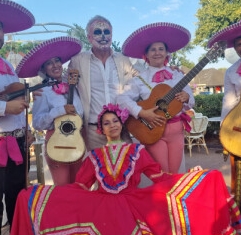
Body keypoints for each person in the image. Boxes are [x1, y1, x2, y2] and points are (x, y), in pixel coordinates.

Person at [7, 103, 241, 235]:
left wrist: (191, 178)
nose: (111, 125)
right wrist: (45, 195)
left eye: (115, 121)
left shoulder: (137, 152)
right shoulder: (94, 155)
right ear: (100, 129)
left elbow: (160, 177)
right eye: (106, 123)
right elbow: (80, 187)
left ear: (122, 124)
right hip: (100, 206)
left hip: (133, 206)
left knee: (207, 180)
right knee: (33, 197)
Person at [117, 22, 195, 173]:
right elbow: (121, 100)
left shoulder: (178, 75)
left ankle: (170, 197)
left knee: (174, 173)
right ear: (145, 55)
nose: (157, 52)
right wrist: (141, 112)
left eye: (161, 49)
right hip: (152, 130)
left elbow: (191, 101)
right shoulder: (139, 79)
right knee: (162, 173)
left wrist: (187, 97)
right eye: (152, 50)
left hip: (176, 131)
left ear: (167, 53)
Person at [15, 36, 85, 185]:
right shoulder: (42, 91)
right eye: (49, 63)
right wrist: (60, 110)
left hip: (78, 140)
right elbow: (38, 123)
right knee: (63, 189)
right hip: (56, 142)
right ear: (43, 69)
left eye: (57, 61)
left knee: (80, 187)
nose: (55, 65)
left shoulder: (73, 86)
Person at [208, 18, 241, 222]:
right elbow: (228, 103)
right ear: (235, 48)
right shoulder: (231, 71)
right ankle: (239, 222)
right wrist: (225, 132)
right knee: (239, 180)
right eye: (240, 44)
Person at [67, 15, 139, 151]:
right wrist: (44, 88)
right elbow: (65, 83)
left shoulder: (123, 60)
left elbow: (142, 80)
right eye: (97, 32)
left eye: (106, 32)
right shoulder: (78, 61)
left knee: (127, 169)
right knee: (99, 170)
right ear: (89, 37)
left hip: (121, 128)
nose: (103, 36)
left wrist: (166, 69)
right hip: (94, 131)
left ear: (111, 35)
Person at [0, 0, 35, 235]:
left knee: (16, 197)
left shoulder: (8, 65)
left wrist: (26, 126)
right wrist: (3, 109)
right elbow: (7, 105)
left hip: (18, 141)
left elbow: (18, 100)